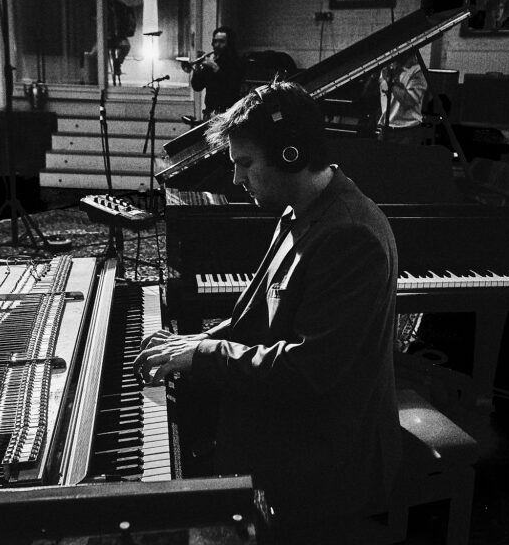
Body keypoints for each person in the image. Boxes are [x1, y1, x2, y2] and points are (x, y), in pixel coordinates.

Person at [135, 81, 402, 539]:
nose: (237, 179)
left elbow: (307, 370)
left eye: (245, 164)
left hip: (332, 453)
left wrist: (203, 356)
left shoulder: (349, 234)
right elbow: (255, 320)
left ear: (291, 156)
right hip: (311, 422)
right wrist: (195, 341)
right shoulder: (302, 209)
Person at [189, 26, 244, 120]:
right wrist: (197, 71)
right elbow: (197, 87)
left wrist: (214, 67)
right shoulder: (212, 62)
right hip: (209, 113)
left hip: (228, 114)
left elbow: (231, 87)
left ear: (229, 43)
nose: (217, 45)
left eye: (221, 42)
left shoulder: (237, 62)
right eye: (215, 41)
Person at [377, 51, 429, 145]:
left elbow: (408, 102)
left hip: (407, 132)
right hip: (386, 130)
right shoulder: (388, 69)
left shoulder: (417, 71)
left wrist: (391, 81)